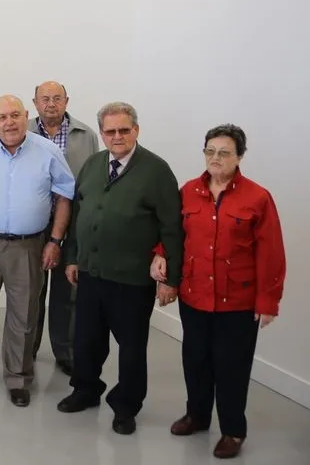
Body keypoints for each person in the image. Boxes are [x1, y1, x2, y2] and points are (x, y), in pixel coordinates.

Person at [150, 124, 285, 459]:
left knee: (231, 367)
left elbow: (271, 254)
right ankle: (197, 415)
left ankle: (233, 430)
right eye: (210, 151)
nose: (215, 158)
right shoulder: (188, 191)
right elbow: (172, 233)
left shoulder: (257, 198)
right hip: (195, 295)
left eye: (224, 152)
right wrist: (161, 254)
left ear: (239, 157)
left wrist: (268, 301)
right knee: (195, 360)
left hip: (237, 302)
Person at [57, 101, 183, 436]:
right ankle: (85, 390)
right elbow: (78, 216)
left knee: (131, 348)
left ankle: (126, 406)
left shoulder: (157, 171)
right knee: (86, 339)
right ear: (101, 133)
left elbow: (172, 228)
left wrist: (170, 279)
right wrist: (73, 257)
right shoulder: (93, 165)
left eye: (124, 130)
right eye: (110, 131)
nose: (117, 136)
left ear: (136, 130)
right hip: (91, 273)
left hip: (132, 279)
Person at [0, 95, 75, 406]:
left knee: (24, 313)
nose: (9, 122)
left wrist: (54, 241)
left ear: (26, 116)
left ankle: (18, 378)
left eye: (15, 115)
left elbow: (64, 198)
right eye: (3, 117)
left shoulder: (48, 151)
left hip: (29, 247)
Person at [28, 81, 99, 376]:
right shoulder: (24, 131)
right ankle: (26, 349)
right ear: (35, 103)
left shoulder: (86, 135)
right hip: (33, 223)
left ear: (66, 101)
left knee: (67, 291)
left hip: (73, 223)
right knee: (31, 290)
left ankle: (65, 351)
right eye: (45, 99)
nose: (51, 104)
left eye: (57, 98)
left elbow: (93, 179)